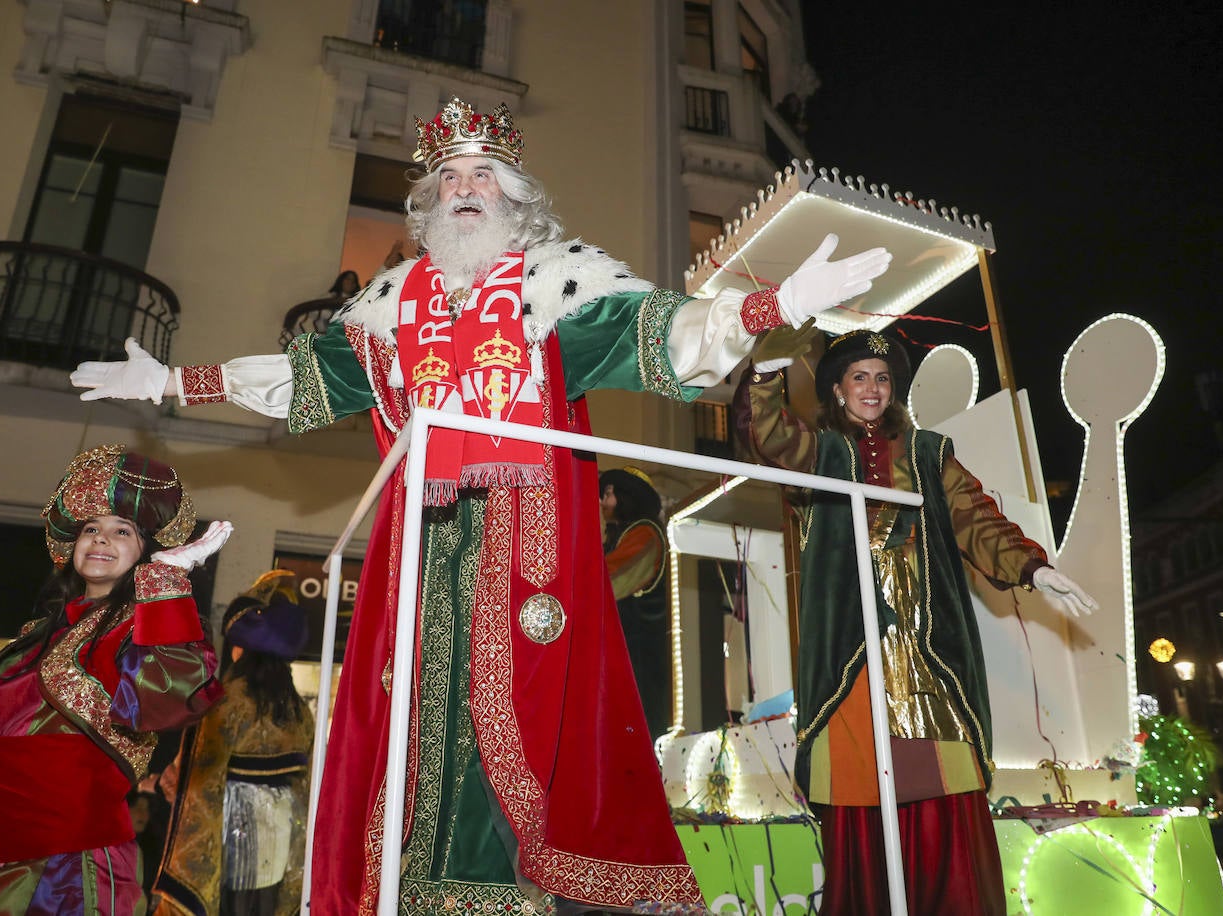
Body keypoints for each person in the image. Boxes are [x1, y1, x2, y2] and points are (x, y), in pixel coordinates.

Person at [70, 97, 892, 914]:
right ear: (428, 205)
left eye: (484, 177)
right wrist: (176, 382)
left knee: (532, 722)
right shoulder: (388, 312)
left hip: (528, 547)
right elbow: (300, 380)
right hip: (421, 549)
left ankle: (513, 895)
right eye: (449, 178)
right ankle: (412, 892)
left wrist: (772, 306)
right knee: (414, 716)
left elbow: (660, 336)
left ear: (515, 197)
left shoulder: (557, 285)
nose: (465, 189)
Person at [733, 327, 1098, 916]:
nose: (872, 388)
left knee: (943, 781)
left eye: (882, 378)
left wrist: (1033, 569)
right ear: (836, 389)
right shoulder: (822, 452)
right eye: (859, 377)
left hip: (930, 647)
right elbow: (770, 435)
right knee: (857, 787)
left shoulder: (930, 452)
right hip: (851, 649)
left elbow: (977, 522)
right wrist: (767, 373)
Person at [0, 444, 231, 914]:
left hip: (72, 867)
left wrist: (166, 584)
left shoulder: (136, 628)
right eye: (91, 529)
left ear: (146, 551)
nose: (101, 539)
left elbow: (175, 692)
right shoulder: (28, 643)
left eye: (121, 530)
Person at [156, 569, 314, 916]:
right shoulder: (299, 710)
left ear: (240, 646)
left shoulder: (224, 701)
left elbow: (200, 779)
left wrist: (168, 782)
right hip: (283, 834)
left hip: (234, 830)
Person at [600, 466, 670, 739]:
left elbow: (610, 580)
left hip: (639, 668)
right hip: (623, 666)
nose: (603, 502)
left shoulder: (645, 534)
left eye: (608, 493)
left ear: (627, 496)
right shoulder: (622, 536)